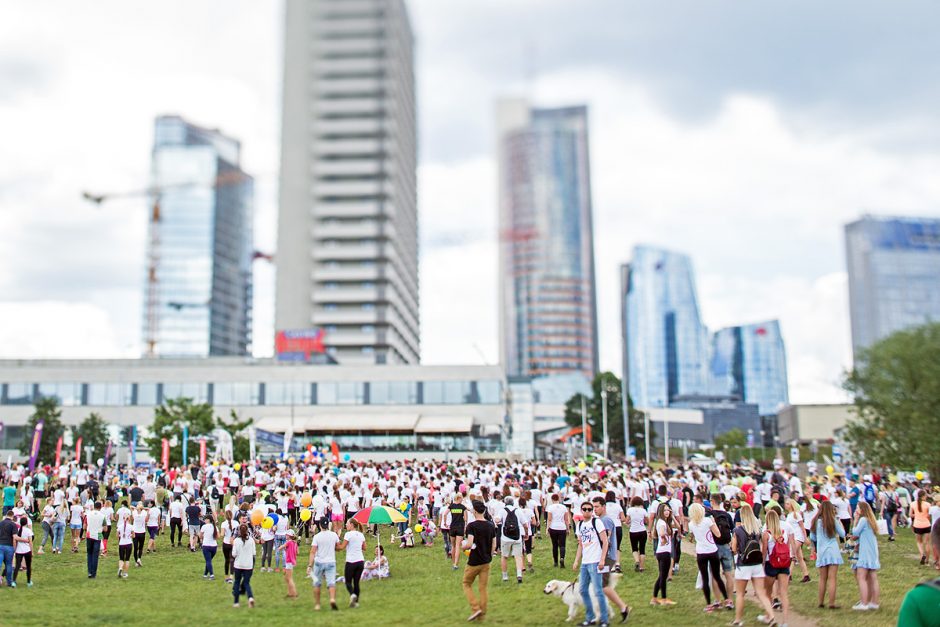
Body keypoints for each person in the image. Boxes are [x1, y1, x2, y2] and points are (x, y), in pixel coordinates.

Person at [729, 503, 776, 627]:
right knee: (761, 593)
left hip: (743, 563)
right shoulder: (757, 530)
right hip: (756, 564)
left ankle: (738, 620)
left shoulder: (737, 530)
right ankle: (771, 616)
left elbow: (733, 549)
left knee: (740, 594)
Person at [592, 497, 631, 623]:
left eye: (597, 506)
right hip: (605, 556)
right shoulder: (601, 520)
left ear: (603, 507)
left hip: (607, 557)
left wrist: (602, 558)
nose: (595, 509)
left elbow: (606, 541)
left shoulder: (606, 520)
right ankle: (604, 610)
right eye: (594, 507)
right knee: (600, 585)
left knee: (603, 586)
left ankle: (623, 607)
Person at [572, 495, 609, 626]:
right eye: (584, 509)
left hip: (596, 561)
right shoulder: (580, 525)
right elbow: (581, 545)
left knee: (598, 591)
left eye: (589, 509)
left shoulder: (597, 522)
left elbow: (605, 541)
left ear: (592, 510)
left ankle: (604, 620)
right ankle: (591, 617)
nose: (587, 511)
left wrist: (602, 560)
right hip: (585, 562)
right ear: (581, 511)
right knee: (582, 590)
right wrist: (577, 560)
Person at [687, 502, 730, 612]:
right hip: (712, 551)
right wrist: (714, 523)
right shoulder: (707, 521)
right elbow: (718, 534)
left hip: (701, 552)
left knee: (705, 578)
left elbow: (691, 536)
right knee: (717, 576)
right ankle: (727, 599)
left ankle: (709, 604)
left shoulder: (691, 524)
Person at [462, 499, 496, 622]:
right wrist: (490, 556)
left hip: (474, 561)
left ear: (475, 511)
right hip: (486, 561)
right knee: (483, 588)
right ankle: (482, 615)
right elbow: (494, 544)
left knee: (466, 584)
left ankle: (475, 608)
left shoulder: (472, 526)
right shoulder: (490, 525)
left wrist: (463, 546)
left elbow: (470, 543)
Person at [811, 499, 846, 609]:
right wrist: (839, 521)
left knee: (822, 579)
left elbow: (812, 537)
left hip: (821, 551)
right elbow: (842, 533)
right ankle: (831, 603)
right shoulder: (833, 520)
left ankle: (820, 602)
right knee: (832, 579)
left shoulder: (816, 521)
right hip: (833, 550)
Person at [760, 509, 791, 626]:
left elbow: (764, 551)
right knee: (783, 593)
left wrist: (762, 564)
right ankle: (785, 621)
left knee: (767, 592)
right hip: (783, 564)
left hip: (771, 563)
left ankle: (769, 615)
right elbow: (787, 548)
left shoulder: (766, 534)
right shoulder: (784, 533)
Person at [851, 501, 881, 611]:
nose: (856, 510)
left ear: (862, 510)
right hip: (872, 551)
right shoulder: (871, 520)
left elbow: (855, 532)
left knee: (861, 577)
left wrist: (855, 520)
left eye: (858, 508)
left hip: (865, 552)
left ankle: (864, 603)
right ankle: (874, 602)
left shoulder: (863, 520)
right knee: (873, 577)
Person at [307, 522, 340, 611]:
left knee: (317, 583)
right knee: (331, 583)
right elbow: (338, 547)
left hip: (319, 562)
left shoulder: (317, 537)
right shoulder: (334, 535)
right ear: (328, 525)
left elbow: (313, 551)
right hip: (331, 561)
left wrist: (310, 565)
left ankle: (317, 604)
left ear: (320, 525)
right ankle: (332, 599)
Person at [649, 502, 677, 607]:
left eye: (668, 510)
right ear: (661, 511)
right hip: (664, 552)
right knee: (663, 577)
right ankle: (664, 599)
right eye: (665, 510)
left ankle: (654, 598)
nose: (667, 512)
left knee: (661, 576)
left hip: (662, 552)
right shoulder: (661, 523)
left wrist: (672, 516)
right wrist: (664, 538)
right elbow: (661, 533)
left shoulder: (663, 522)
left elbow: (678, 527)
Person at [337, 519, 366, 607]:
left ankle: (352, 594)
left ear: (352, 525)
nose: (346, 525)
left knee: (348, 582)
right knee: (356, 582)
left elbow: (342, 547)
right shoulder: (361, 535)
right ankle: (356, 602)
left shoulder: (348, 535)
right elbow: (364, 548)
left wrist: (335, 546)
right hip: (360, 561)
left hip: (351, 561)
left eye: (347, 524)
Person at [499, 496, 525, 583]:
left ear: (505, 503)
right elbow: (525, 523)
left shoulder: (502, 510)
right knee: (518, 556)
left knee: (504, 556)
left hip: (505, 537)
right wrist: (525, 533)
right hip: (517, 536)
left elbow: (497, 519)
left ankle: (505, 576)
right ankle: (519, 574)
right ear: (513, 503)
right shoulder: (518, 510)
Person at [231, 523, 256, 608]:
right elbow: (254, 553)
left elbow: (234, 554)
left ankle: (236, 602)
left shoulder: (236, 541)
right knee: (246, 583)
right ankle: (250, 597)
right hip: (248, 565)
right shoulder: (251, 540)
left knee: (237, 582)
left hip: (238, 564)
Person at [546, 492, 571, 568]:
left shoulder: (550, 507)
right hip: (562, 527)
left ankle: (556, 562)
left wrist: (547, 528)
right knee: (562, 545)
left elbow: (549, 519)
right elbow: (566, 519)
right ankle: (562, 558)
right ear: (559, 499)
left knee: (555, 545)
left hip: (553, 527)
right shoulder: (563, 507)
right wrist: (568, 528)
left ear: (552, 499)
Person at [84, 500, 106, 579]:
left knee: (89, 553)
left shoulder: (88, 514)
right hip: (98, 534)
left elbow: (84, 526)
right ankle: (94, 573)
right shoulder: (103, 516)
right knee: (95, 555)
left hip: (89, 534)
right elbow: (105, 528)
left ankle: (89, 571)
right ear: (101, 507)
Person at [625, 496, 648, 572]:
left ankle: (637, 561)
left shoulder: (630, 510)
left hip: (633, 531)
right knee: (642, 549)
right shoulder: (643, 510)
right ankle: (641, 567)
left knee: (634, 548)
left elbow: (627, 521)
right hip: (642, 531)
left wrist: (630, 522)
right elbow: (646, 521)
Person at [274, 528, 298, 598]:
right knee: (286, 578)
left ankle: (294, 593)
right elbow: (297, 552)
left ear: (289, 536)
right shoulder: (294, 543)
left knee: (289, 578)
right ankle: (290, 593)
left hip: (289, 561)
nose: (285, 536)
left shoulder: (288, 542)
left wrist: (278, 548)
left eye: (286, 535)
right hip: (292, 561)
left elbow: (282, 547)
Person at [911, 490, 933, 564]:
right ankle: (927, 561)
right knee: (927, 543)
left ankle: (922, 554)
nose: (926, 497)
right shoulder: (928, 504)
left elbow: (910, 515)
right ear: (923, 496)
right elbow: (929, 515)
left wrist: (917, 515)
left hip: (917, 525)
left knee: (919, 542)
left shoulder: (913, 504)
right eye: (926, 495)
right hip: (926, 525)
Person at [13, 516, 33, 587]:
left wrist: (14, 549)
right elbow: (30, 541)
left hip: (18, 551)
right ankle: (28, 582)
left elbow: (15, 540)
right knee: (28, 566)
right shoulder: (28, 530)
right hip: (27, 550)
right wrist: (32, 551)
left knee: (17, 566)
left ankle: (14, 581)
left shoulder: (17, 529)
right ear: (26, 523)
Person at [449, 494, 467, 571]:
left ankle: (453, 563)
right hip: (460, 527)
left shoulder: (451, 506)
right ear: (459, 498)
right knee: (457, 546)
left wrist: (446, 523)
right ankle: (456, 564)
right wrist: (465, 527)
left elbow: (445, 513)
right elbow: (466, 519)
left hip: (452, 527)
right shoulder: (463, 507)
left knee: (453, 546)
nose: (462, 500)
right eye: (461, 499)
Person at [0, 510, 17, 587]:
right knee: (9, 565)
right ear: (12, 516)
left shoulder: (1, 523)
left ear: (6, 515)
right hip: (9, 546)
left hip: (0, 545)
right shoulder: (13, 524)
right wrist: (14, 548)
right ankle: (9, 582)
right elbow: (14, 537)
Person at [199, 513, 218, 579]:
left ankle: (212, 575)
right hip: (214, 546)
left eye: (205, 519)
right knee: (209, 560)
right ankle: (205, 574)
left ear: (208, 520)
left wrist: (203, 537)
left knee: (208, 561)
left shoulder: (204, 526)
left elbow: (200, 536)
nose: (204, 521)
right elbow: (217, 536)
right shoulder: (215, 527)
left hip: (206, 546)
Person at [221, 510, 237, 584]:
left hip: (226, 543)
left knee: (226, 560)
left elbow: (222, 534)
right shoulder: (236, 523)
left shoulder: (223, 524)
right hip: (233, 543)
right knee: (232, 560)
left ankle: (226, 576)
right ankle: (231, 576)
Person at [116, 513, 133, 579]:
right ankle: (125, 573)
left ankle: (120, 568)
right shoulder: (131, 526)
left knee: (121, 558)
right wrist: (130, 535)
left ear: (123, 518)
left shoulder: (120, 526)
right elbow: (134, 536)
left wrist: (121, 536)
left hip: (121, 543)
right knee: (127, 559)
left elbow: (117, 536)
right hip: (129, 543)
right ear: (129, 519)